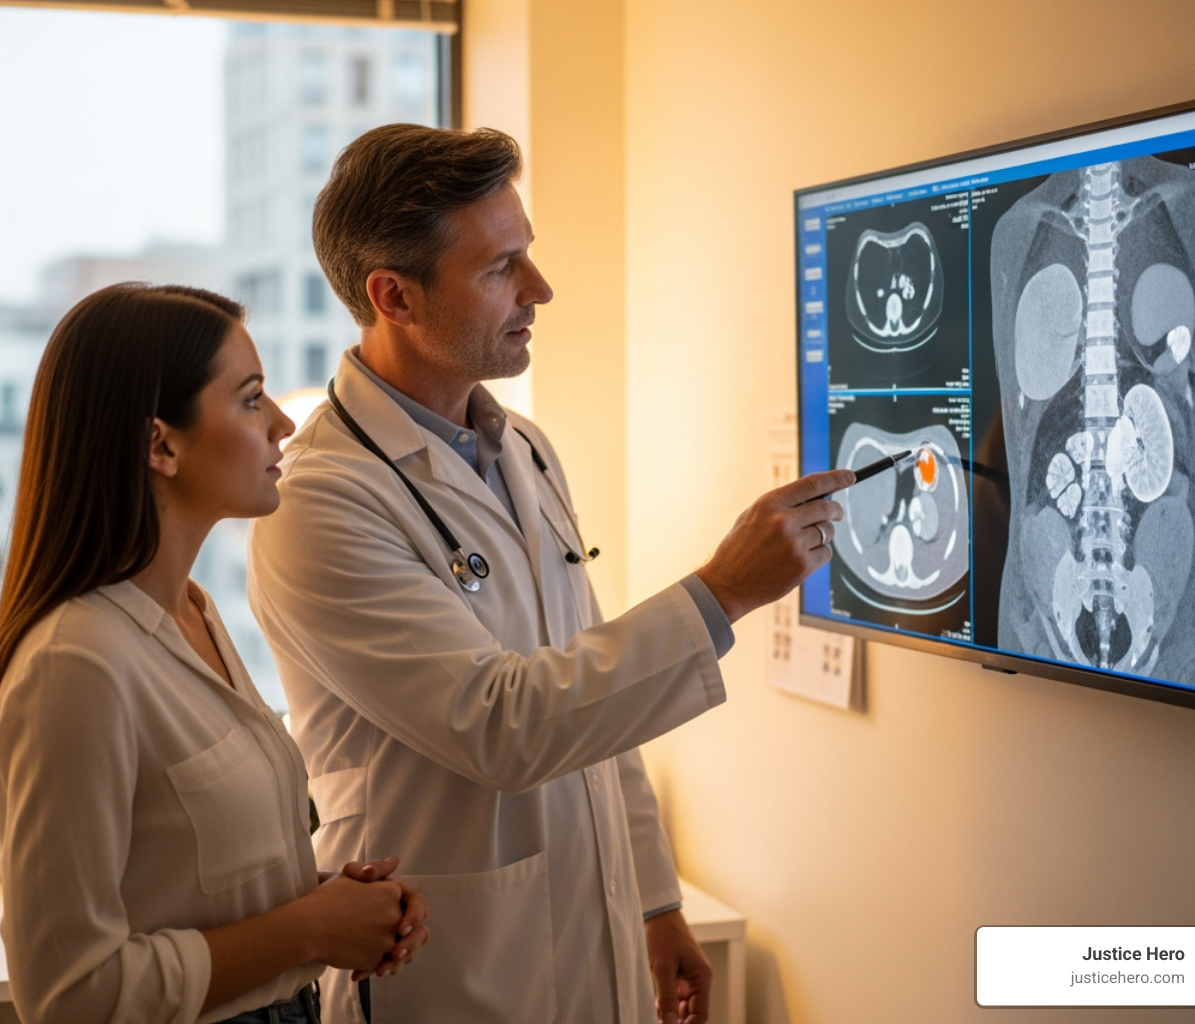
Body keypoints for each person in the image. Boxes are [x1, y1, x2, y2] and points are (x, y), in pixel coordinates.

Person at [247, 125, 853, 1024]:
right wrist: (724, 590)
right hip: (443, 971)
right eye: (501, 269)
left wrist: (654, 897)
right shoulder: (321, 503)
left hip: (590, 939)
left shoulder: (526, 448)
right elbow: (504, 727)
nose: (541, 289)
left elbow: (595, 690)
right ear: (394, 297)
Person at [0, 283, 429, 1024]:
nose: (285, 422)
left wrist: (334, 906)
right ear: (161, 443)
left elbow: (187, 890)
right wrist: (308, 929)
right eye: (252, 399)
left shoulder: (195, 614)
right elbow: (68, 996)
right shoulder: (77, 663)